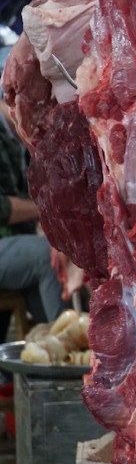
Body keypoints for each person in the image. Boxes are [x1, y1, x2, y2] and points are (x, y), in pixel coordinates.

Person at [0, 98, 67, 328]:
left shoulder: (12, 136)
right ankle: (67, 350)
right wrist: (45, 210)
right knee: (45, 256)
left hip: (11, 243)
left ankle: (43, 350)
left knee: (59, 252)